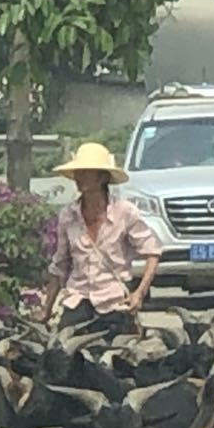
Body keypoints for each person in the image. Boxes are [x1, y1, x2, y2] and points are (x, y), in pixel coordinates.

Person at [38, 141, 160, 338]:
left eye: (86, 172)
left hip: (114, 301)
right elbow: (60, 264)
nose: (79, 178)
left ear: (102, 177)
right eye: (78, 173)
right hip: (78, 299)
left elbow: (152, 252)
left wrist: (138, 293)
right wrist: (47, 309)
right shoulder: (68, 215)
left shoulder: (125, 212)